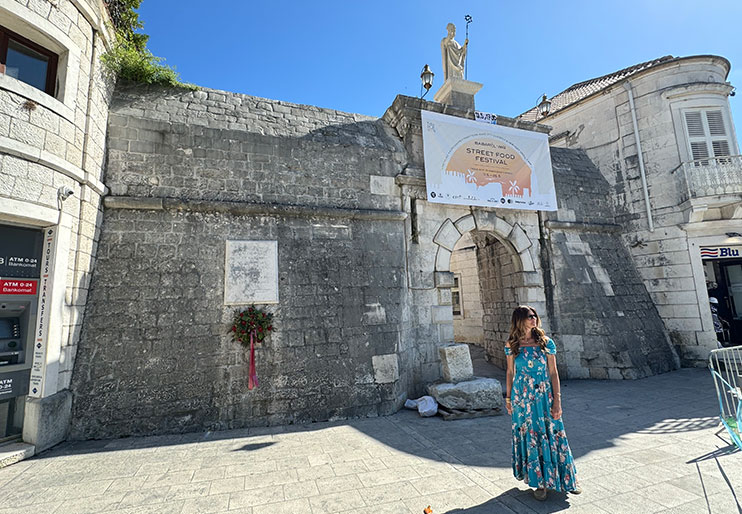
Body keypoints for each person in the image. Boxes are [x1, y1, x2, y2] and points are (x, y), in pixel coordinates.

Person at [504, 305, 580, 500]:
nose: (534, 319)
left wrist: (558, 401)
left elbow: (554, 373)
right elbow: (510, 372)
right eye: (530, 316)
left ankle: (568, 479)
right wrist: (509, 397)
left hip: (544, 397)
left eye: (535, 316)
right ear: (520, 320)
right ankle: (539, 483)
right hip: (522, 400)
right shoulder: (512, 344)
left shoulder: (546, 343)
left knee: (554, 434)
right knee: (531, 438)